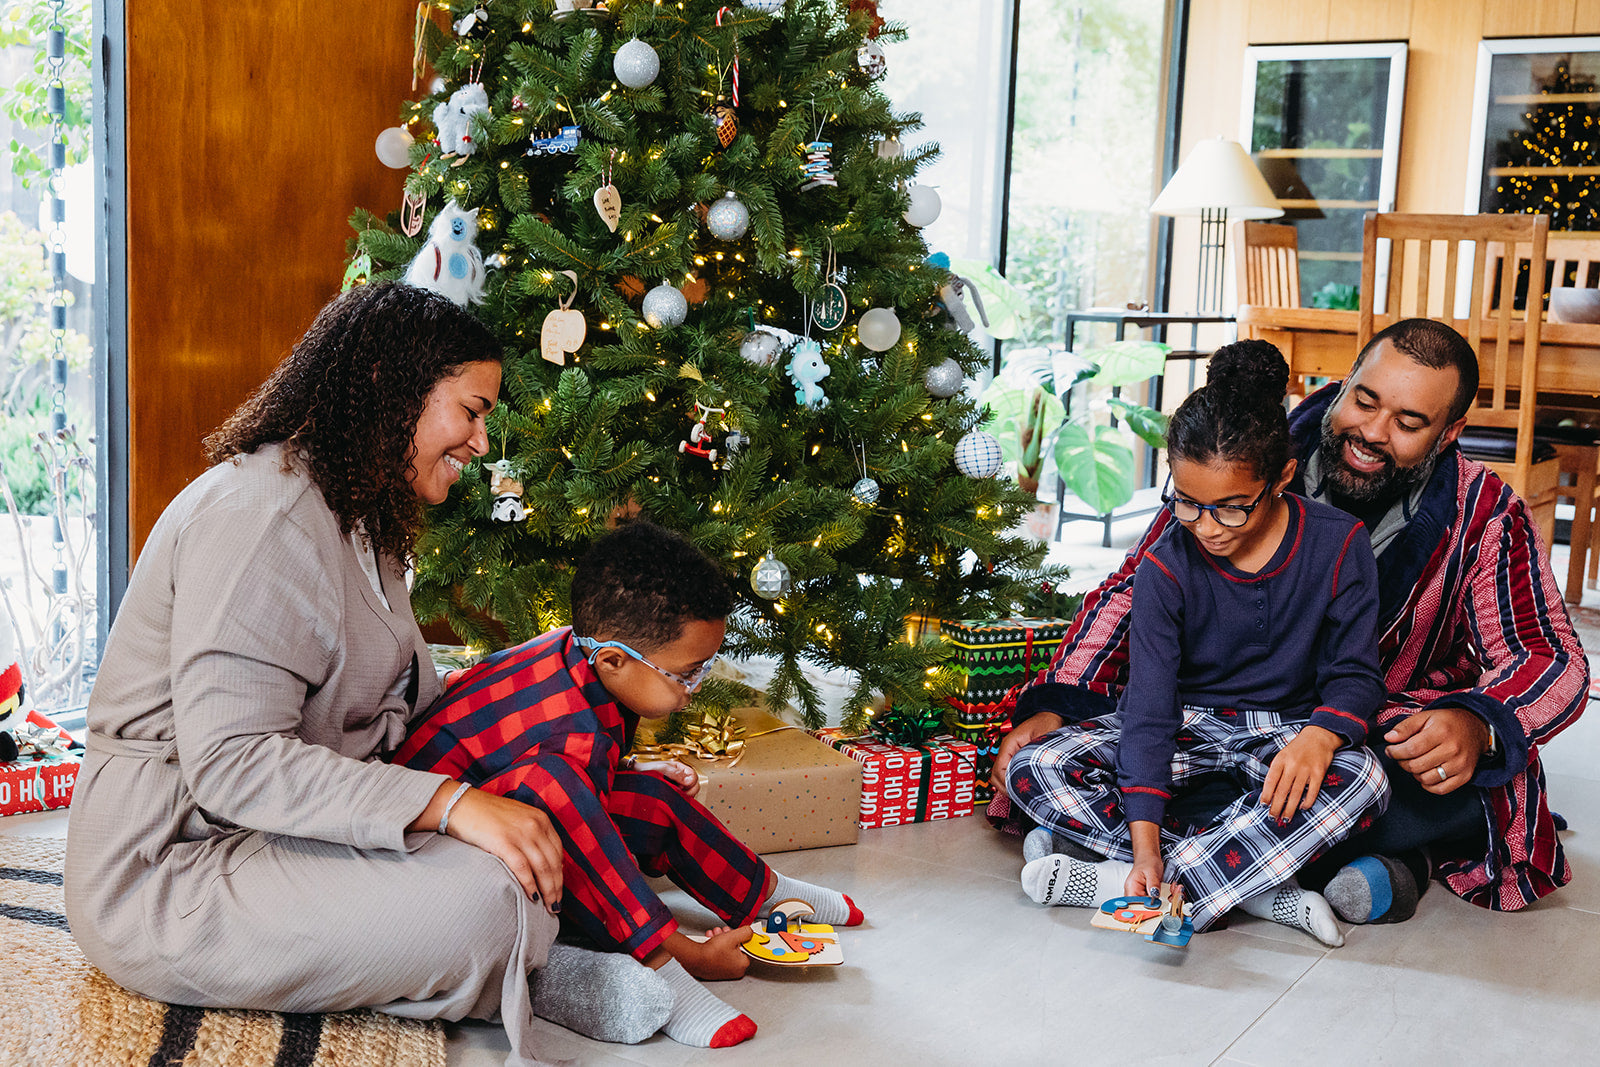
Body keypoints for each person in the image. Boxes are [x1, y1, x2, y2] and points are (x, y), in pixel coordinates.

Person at [64, 283, 680, 1067]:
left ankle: (506, 956)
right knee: (486, 897)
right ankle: (529, 968)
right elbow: (230, 764)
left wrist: (562, 719)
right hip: (172, 867)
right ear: (394, 389)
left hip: (277, 833)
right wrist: (451, 803)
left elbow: (417, 702)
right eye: (472, 410)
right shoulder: (262, 519)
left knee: (537, 825)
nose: (482, 441)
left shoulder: (361, 513)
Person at [995, 318, 1589, 925]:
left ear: (1449, 431)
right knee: (1080, 754)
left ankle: (1143, 863)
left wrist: (1478, 722)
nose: (1372, 433)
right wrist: (1062, 702)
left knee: (1410, 781)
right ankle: (1291, 872)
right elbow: (1134, 592)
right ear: (1344, 382)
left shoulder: (1485, 515)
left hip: (1356, 733)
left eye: (1409, 424)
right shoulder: (1237, 455)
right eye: (1364, 400)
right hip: (1204, 723)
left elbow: (1553, 657)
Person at [397, 519, 865, 1049]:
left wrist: (627, 773)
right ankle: (668, 962)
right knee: (559, 792)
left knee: (654, 798)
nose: (695, 689)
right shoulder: (570, 732)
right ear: (615, 660)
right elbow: (557, 792)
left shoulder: (577, 657)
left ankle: (766, 893)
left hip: (499, 812)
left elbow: (542, 764)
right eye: (687, 673)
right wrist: (690, 949)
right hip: (434, 856)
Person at [1008, 340, 1389, 945]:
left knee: (1363, 779)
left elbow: (1357, 675)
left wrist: (1321, 735)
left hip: (1283, 735)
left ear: (1283, 476)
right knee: (1037, 767)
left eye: (1231, 508)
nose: (1206, 527)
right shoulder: (1165, 565)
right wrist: (1145, 844)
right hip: (1187, 724)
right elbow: (1152, 708)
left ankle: (1124, 880)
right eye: (1187, 503)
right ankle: (1250, 889)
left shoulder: (1340, 544)